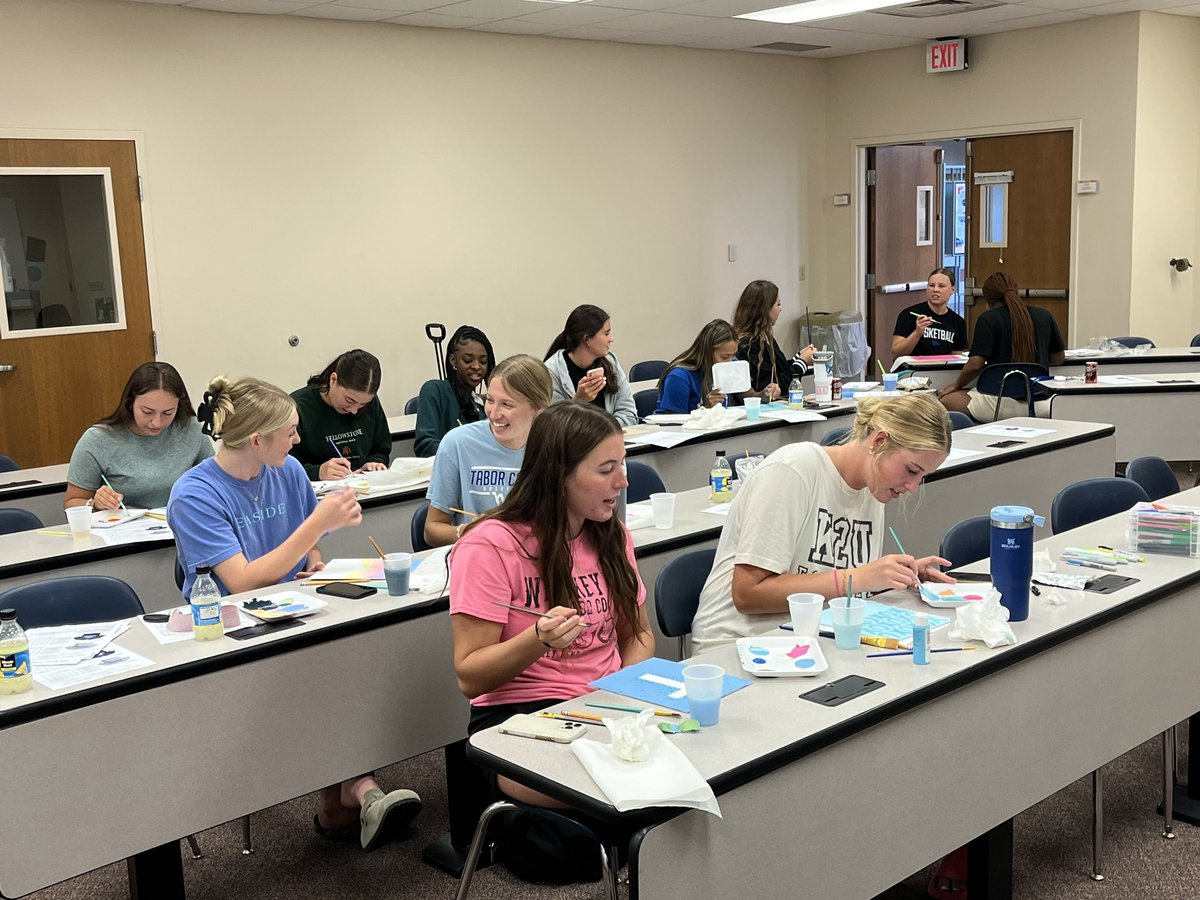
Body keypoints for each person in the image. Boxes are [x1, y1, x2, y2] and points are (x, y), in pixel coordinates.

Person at [167, 376, 422, 851]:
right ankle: (357, 794)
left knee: (353, 658)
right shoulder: (194, 493)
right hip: (230, 633)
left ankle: (349, 799)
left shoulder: (285, 472)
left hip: (295, 611)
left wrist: (315, 561)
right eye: (289, 432)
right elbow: (241, 582)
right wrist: (317, 526)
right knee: (325, 678)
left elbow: (307, 551)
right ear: (256, 440)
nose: (298, 439)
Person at [448, 401, 655, 809]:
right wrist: (537, 639)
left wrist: (623, 698)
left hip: (602, 705)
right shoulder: (490, 545)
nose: (623, 481)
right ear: (559, 475)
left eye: (622, 465)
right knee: (620, 792)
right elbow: (470, 677)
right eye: (606, 470)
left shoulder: (610, 535)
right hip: (520, 715)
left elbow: (639, 634)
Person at [690, 393, 955, 653]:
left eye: (922, 476)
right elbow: (748, 594)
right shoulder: (794, 470)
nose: (912, 487)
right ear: (879, 441)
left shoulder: (873, 488)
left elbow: (833, 578)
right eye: (911, 470)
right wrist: (858, 579)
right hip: (738, 646)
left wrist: (891, 577)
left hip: (810, 640)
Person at [424, 355, 552, 548]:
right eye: (490, 400)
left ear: (538, 409)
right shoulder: (457, 443)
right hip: (480, 554)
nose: (493, 413)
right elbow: (432, 530)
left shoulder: (555, 446)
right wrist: (467, 530)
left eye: (507, 404)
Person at [65, 362, 213, 510]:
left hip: (180, 520)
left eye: (168, 413)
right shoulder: (97, 440)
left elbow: (216, 482)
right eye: (147, 412)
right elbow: (71, 503)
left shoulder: (190, 429)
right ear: (130, 403)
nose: (157, 422)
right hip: (122, 522)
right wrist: (94, 504)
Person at [937, 272, 1066, 421]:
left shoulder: (988, 319)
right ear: (1016, 291)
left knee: (944, 400)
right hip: (1040, 404)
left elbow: (974, 366)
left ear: (988, 299)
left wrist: (956, 385)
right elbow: (1058, 358)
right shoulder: (1044, 316)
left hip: (998, 403)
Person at [290, 349, 391, 480]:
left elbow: (381, 449)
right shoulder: (298, 408)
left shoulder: (371, 403)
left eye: (362, 404)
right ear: (333, 380)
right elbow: (282, 466)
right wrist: (317, 472)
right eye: (349, 400)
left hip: (364, 485)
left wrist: (375, 462)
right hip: (318, 488)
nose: (354, 410)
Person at [543, 304, 637, 427]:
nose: (611, 339)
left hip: (613, 436)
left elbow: (629, 414)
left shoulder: (611, 362)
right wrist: (578, 402)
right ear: (587, 339)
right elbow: (554, 427)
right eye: (606, 334)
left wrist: (604, 432)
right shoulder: (551, 372)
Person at [414, 325, 495, 458]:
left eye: (483, 361)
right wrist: (468, 453)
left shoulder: (484, 404)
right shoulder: (435, 390)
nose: (476, 366)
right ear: (453, 360)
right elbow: (425, 446)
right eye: (468, 360)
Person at [732, 279, 815, 401]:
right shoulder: (748, 347)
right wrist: (802, 362)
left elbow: (780, 370)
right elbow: (775, 386)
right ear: (765, 309)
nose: (780, 309)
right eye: (778, 304)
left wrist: (799, 357)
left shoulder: (765, 338)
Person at [654, 319, 740, 413]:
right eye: (725, 357)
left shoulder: (720, 373)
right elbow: (674, 420)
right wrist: (707, 410)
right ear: (707, 352)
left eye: (733, 355)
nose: (730, 362)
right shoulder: (679, 377)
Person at [891, 267, 968, 358]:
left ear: (953, 289)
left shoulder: (958, 322)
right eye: (931, 285)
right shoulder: (909, 314)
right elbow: (896, 353)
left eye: (941, 286)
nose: (935, 289)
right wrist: (917, 333)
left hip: (942, 366)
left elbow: (957, 358)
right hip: (913, 366)